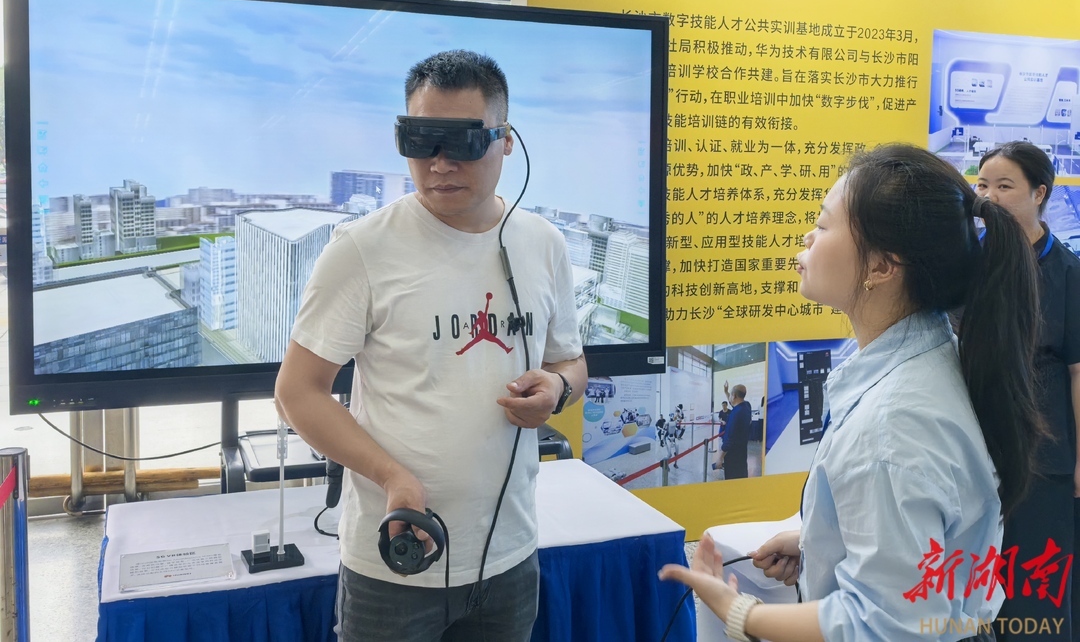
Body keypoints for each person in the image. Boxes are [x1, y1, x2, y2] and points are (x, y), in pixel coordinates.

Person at [661, 144, 1042, 642]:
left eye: (822, 225)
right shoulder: (934, 355)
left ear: (881, 267)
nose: (807, 237)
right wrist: (821, 543)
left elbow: (885, 625)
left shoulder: (893, 424)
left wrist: (740, 613)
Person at [274, 50, 587, 642]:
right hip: (396, 557)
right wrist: (392, 476)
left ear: (506, 140)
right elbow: (297, 392)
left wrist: (558, 388)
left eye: (462, 141)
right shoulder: (361, 249)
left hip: (509, 555)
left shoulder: (543, 244)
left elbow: (570, 362)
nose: (440, 163)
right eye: (420, 141)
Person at [976, 141, 1080, 641]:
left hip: (1045, 454)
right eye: (982, 185)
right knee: (974, 584)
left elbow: (1078, 372)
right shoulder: (969, 264)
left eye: (1004, 186)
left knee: (1037, 592)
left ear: (1039, 194)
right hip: (976, 447)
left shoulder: (1069, 272)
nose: (989, 197)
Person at [714, 383, 751, 478]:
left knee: (733, 477)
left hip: (733, 456)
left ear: (734, 396)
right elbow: (734, 403)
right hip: (742, 452)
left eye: (730, 394)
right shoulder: (746, 406)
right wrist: (726, 392)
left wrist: (720, 457)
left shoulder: (735, 415)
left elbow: (729, 439)